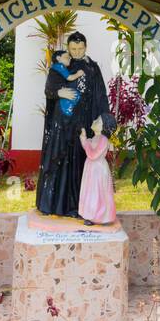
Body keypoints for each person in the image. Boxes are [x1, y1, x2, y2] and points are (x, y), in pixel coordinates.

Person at [36, 31, 116, 217]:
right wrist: (59, 93)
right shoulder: (63, 64)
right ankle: (57, 206)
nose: (77, 52)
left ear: (86, 47)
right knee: (61, 159)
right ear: (68, 48)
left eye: (80, 48)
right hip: (63, 122)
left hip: (85, 122)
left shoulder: (93, 67)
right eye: (73, 48)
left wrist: (104, 120)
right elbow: (50, 87)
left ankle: (84, 208)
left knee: (81, 160)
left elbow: (100, 94)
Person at [78, 116, 117, 225]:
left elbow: (93, 154)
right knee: (90, 192)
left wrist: (85, 142)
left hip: (98, 170)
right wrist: (84, 139)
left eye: (98, 121)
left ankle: (103, 217)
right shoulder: (95, 138)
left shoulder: (103, 140)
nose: (94, 121)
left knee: (98, 193)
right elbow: (89, 149)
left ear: (103, 126)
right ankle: (90, 215)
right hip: (91, 168)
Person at [49, 50, 84, 118]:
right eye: (67, 57)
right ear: (58, 58)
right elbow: (69, 77)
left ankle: (68, 109)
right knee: (75, 95)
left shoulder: (55, 67)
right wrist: (78, 74)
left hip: (59, 90)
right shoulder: (60, 66)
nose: (70, 58)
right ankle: (68, 110)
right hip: (58, 89)